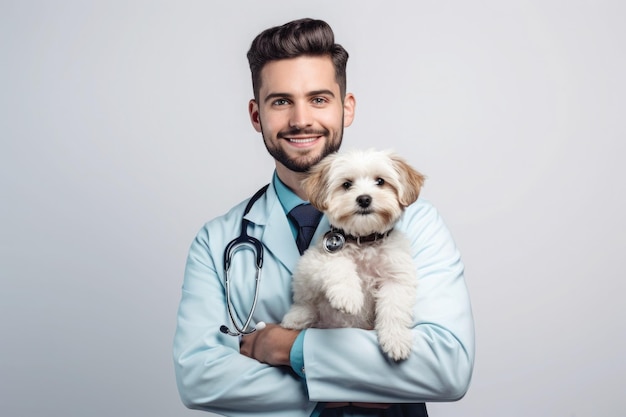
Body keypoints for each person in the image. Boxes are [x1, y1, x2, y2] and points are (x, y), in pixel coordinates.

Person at [173, 18, 474, 417]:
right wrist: (341, 387)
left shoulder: (417, 223)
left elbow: (446, 368)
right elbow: (199, 378)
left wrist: (286, 349)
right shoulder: (217, 241)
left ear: (345, 108)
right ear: (256, 115)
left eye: (318, 99)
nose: (301, 119)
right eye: (281, 101)